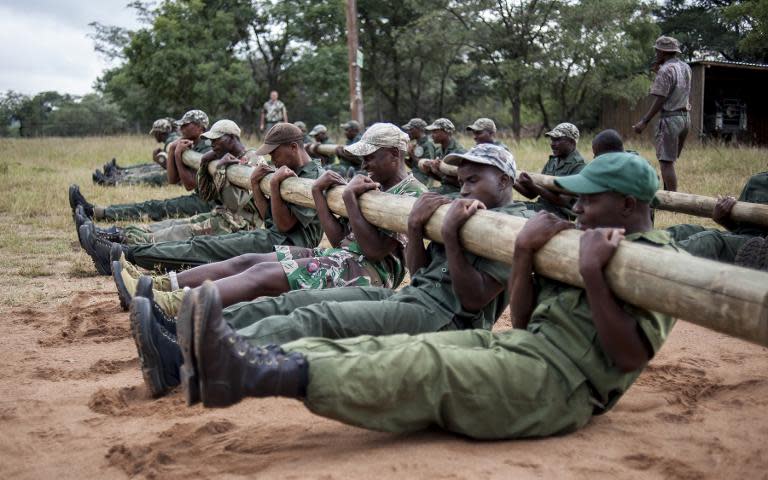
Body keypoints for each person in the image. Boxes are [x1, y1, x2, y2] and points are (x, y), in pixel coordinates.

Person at [168, 152, 677, 444]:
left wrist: (589, 271)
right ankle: (237, 357)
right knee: (382, 349)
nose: (580, 208)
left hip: (563, 385)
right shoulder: (576, 241)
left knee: (426, 365)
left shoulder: (657, 261)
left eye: (592, 199)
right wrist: (523, 256)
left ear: (630, 204)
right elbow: (522, 322)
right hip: (524, 350)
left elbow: (631, 356)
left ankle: (249, 371)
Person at [129, 144, 538, 397]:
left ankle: (190, 357)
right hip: (414, 299)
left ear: (504, 180)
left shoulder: (508, 225)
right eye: (462, 182)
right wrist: (416, 227)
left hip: (444, 321)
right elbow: (418, 270)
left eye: (474, 180)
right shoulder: (471, 214)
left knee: (318, 318)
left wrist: (447, 234)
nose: (464, 190)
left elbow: (472, 298)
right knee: (297, 305)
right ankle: (184, 332)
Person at [116, 122, 425, 322]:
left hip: (367, 274)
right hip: (343, 257)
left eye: (371, 157)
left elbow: (373, 252)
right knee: (249, 261)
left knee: (262, 275)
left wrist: (349, 202)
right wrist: (320, 195)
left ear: (396, 155)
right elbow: (338, 238)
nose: (364, 163)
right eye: (364, 157)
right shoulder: (373, 184)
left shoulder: (410, 194)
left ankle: (173, 305)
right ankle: (160, 287)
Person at [78, 123, 323, 275]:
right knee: (199, 246)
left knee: (201, 250)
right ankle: (123, 249)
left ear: (293, 147)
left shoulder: (310, 178)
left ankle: (124, 254)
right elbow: (267, 217)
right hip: (269, 236)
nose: (271, 159)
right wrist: (259, 187)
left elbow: (284, 226)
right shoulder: (289, 173)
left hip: (286, 246)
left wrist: (274, 182)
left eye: (274, 153)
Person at [88, 120, 265, 246]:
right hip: (223, 215)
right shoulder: (222, 157)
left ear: (232, 138)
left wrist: (221, 170)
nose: (212, 143)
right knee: (171, 225)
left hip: (241, 225)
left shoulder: (253, 160)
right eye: (211, 140)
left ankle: (120, 242)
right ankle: (116, 232)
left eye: (216, 139)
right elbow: (206, 194)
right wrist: (205, 164)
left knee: (178, 233)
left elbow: (236, 204)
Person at [67, 111, 215, 224]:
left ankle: (97, 212)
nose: (181, 128)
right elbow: (172, 179)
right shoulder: (193, 145)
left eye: (186, 124)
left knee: (155, 208)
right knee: (152, 205)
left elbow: (189, 185)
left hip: (210, 204)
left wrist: (176, 154)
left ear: (200, 127)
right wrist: (172, 152)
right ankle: (97, 211)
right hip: (202, 198)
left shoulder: (207, 148)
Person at [667, 172, 768, 265]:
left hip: (762, 249)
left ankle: (658, 261)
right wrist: (723, 219)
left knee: (708, 242)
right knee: (683, 230)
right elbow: (739, 229)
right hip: (746, 240)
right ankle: (652, 245)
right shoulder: (757, 181)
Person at [632, 36, 691, 192]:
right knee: (670, 160)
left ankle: (673, 201)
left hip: (670, 119)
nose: (655, 52)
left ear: (663, 52)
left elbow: (661, 98)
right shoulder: (686, 67)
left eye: (657, 50)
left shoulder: (665, 70)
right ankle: (668, 193)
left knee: (666, 162)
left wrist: (644, 121)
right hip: (685, 118)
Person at [514, 122, 585, 219]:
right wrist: (511, 179)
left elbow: (562, 201)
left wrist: (532, 185)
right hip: (540, 208)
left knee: (511, 215)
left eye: (557, 140)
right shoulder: (553, 161)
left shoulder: (580, 166)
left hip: (557, 215)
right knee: (502, 207)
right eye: (552, 140)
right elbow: (531, 194)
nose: (552, 144)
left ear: (572, 142)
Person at [92, 118, 180, 187]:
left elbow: (173, 168)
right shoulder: (173, 139)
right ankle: (119, 173)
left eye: (155, 133)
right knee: (149, 167)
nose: (154, 136)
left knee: (151, 177)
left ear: (159, 133)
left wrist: (158, 160)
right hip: (181, 175)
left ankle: (112, 182)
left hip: (180, 178)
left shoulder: (170, 143)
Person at [421, 118, 466, 195]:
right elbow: (442, 180)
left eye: (435, 132)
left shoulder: (459, 152)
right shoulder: (439, 151)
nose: (432, 135)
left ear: (446, 132)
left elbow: (462, 182)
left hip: (458, 191)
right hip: (446, 188)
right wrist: (429, 171)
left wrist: (438, 172)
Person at [401, 118, 436, 185]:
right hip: (415, 175)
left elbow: (428, 167)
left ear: (418, 129)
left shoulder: (428, 144)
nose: (408, 132)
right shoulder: (416, 144)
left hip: (425, 179)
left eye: (411, 129)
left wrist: (412, 155)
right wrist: (402, 157)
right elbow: (413, 166)